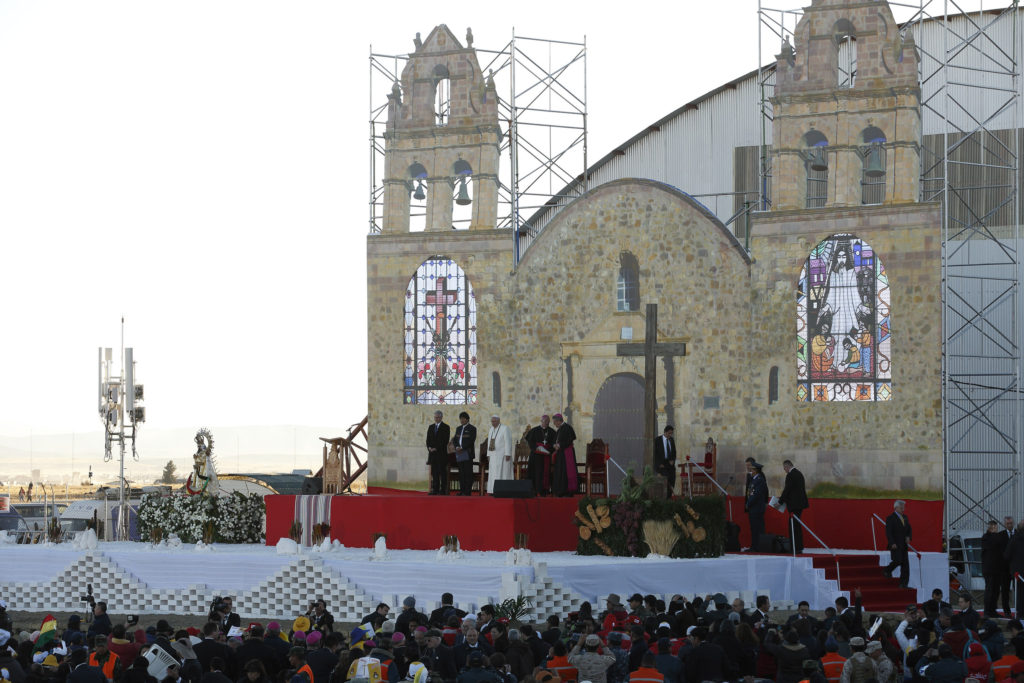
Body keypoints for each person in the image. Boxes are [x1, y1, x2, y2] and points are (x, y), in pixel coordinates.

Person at [779, 459, 809, 554]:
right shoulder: (799, 474)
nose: (785, 470)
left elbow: (787, 490)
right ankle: (799, 547)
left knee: (793, 527)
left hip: (794, 505)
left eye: (784, 468)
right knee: (797, 526)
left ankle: (794, 548)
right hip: (800, 505)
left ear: (787, 466)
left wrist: (780, 502)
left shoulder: (790, 475)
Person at [883, 500, 912, 588]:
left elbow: (909, 529)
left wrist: (908, 537)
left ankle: (904, 583)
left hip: (904, 545)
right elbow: (889, 532)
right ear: (896, 507)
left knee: (905, 565)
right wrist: (892, 542)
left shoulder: (905, 517)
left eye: (904, 507)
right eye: (901, 507)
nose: (903, 509)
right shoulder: (890, 518)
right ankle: (887, 570)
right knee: (898, 561)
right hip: (895, 544)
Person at [985, 519, 1010, 618]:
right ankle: (987, 611)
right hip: (989, 569)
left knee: (996, 591)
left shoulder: (999, 537)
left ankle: (993, 610)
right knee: (989, 590)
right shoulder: (986, 537)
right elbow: (990, 546)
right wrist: (994, 535)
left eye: (995, 527)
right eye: (992, 527)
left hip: (998, 569)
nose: (994, 529)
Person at [525, 416, 556, 495]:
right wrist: (536, 447)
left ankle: (544, 490)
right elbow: (530, 442)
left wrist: (549, 450)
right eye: (544, 421)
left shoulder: (552, 432)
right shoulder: (534, 430)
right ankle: (534, 490)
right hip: (536, 456)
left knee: (545, 473)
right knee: (535, 473)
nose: (546, 423)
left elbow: (554, 445)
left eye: (547, 422)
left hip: (546, 456)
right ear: (541, 421)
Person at [485, 416, 514, 494]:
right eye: (492, 421)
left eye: (494, 421)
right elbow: (489, 442)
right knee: (493, 473)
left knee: (503, 473)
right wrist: (488, 454)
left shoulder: (505, 428)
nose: (493, 423)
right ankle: (492, 490)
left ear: (498, 421)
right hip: (493, 456)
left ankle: (503, 490)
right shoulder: (491, 429)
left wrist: (508, 453)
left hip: (503, 456)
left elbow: (508, 441)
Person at [550, 414, 578, 497]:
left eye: (555, 422)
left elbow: (569, 440)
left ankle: (567, 491)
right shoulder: (559, 429)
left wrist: (560, 445)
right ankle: (560, 491)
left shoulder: (567, 428)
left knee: (566, 472)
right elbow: (555, 440)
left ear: (559, 421)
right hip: (560, 454)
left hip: (567, 453)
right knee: (560, 472)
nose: (554, 424)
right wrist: (554, 445)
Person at [426, 411, 452, 496]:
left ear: (441, 417)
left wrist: (436, 448)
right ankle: (435, 489)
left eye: (438, 417)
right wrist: (429, 447)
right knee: (434, 472)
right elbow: (428, 440)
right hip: (432, 455)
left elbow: (445, 440)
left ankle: (443, 490)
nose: (436, 419)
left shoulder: (446, 427)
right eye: (435, 417)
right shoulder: (431, 427)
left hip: (441, 454)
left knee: (442, 472)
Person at [451, 413, 477, 496]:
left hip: (467, 453)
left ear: (467, 419)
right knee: (461, 473)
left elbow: (471, 440)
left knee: (468, 473)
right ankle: (462, 491)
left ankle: (467, 491)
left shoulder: (472, 428)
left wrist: (463, 447)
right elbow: (454, 439)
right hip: (459, 453)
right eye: (460, 419)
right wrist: (457, 447)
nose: (461, 420)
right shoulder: (458, 428)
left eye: (463, 418)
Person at [746, 462, 768, 552]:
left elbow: (755, 494)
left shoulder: (759, 480)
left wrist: (748, 503)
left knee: (757, 528)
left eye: (752, 469)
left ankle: (757, 547)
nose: (750, 471)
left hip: (756, 508)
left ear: (755, 470)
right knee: (754, 528)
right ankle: (754, 546)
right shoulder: (754, 479)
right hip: (754, 508)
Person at [652, 426, 676, 499]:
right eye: (669, 433)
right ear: (665, 432)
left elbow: (674, 452)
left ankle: (668, 497)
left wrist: (673, 460)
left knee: (672, 479)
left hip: (669, 464)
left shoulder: (671, 440)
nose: (670, 435)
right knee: (666, 479)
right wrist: (659, 464)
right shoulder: (658, 440)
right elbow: (654, 453)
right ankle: (663, 497)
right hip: (661, 464)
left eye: (671, 433)